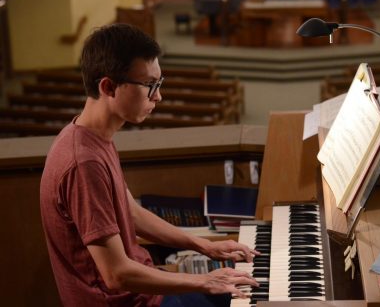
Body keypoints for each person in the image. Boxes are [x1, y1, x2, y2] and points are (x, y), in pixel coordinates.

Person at [40, 23, 259, 307]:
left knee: (244, 291)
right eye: (149, 86)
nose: (158, 96)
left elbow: (131, 214)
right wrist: (205, 280)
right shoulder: (84, 163)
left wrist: (205, 246)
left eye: (159, 83)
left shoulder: (93, 137)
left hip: (142, 291)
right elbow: (116, 274)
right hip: (124, 302)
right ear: (108, 86)